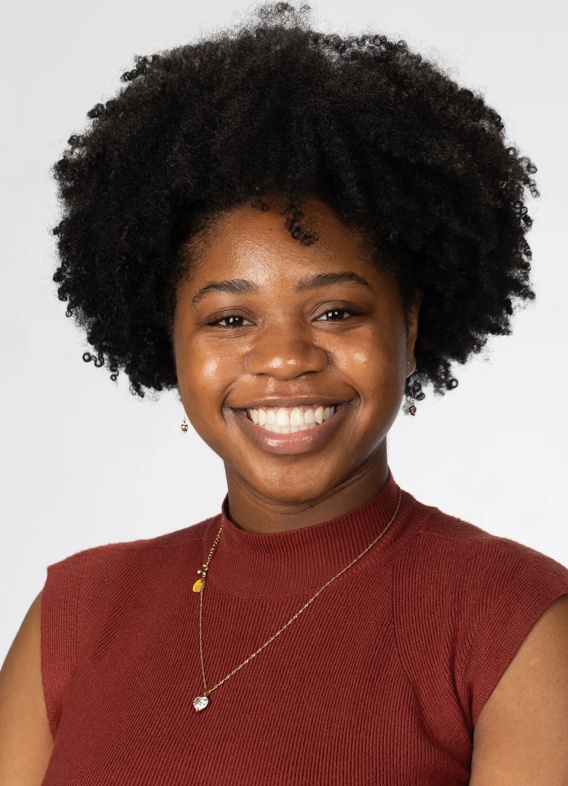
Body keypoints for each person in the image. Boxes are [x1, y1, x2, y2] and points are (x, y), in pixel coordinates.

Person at [1, 2, 567, 784]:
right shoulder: (75, 616)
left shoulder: (516, 622)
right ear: (167, 335)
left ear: (408, 324)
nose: (285, 359)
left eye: (336, 311)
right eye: (231, 317)